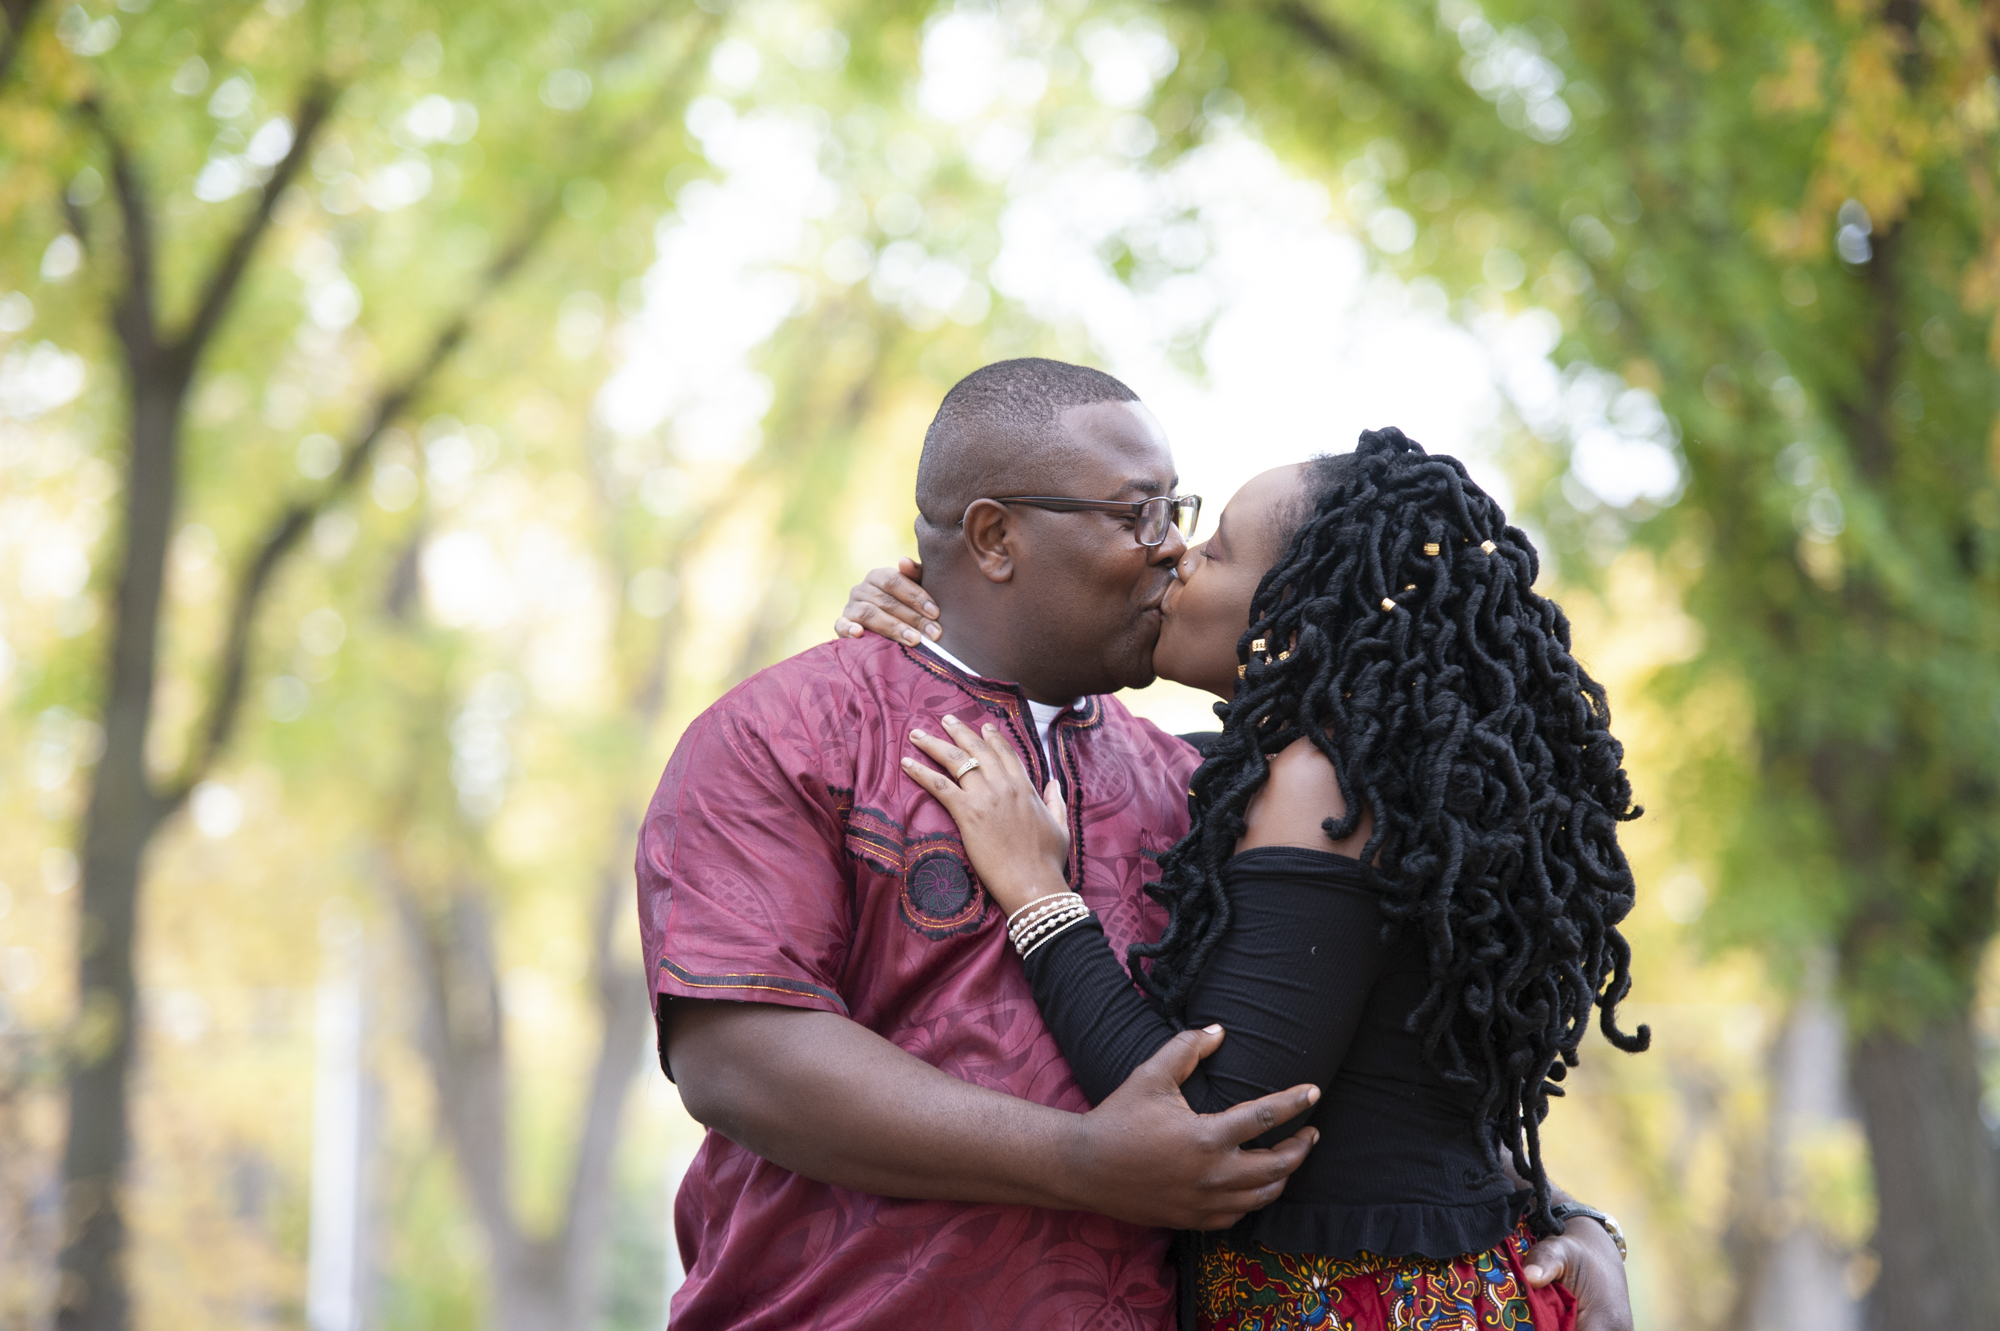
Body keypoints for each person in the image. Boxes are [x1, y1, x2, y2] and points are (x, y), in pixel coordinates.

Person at [642, 359, 1632, 1330]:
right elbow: (737, 1057)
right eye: (1140, 515)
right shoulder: (785, 732)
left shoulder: (1206, 783)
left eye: (1186, 518)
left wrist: (1559, 1215)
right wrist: (1076, 1156)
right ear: (993, 535)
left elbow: (1363, 1059)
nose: (1171, 549)